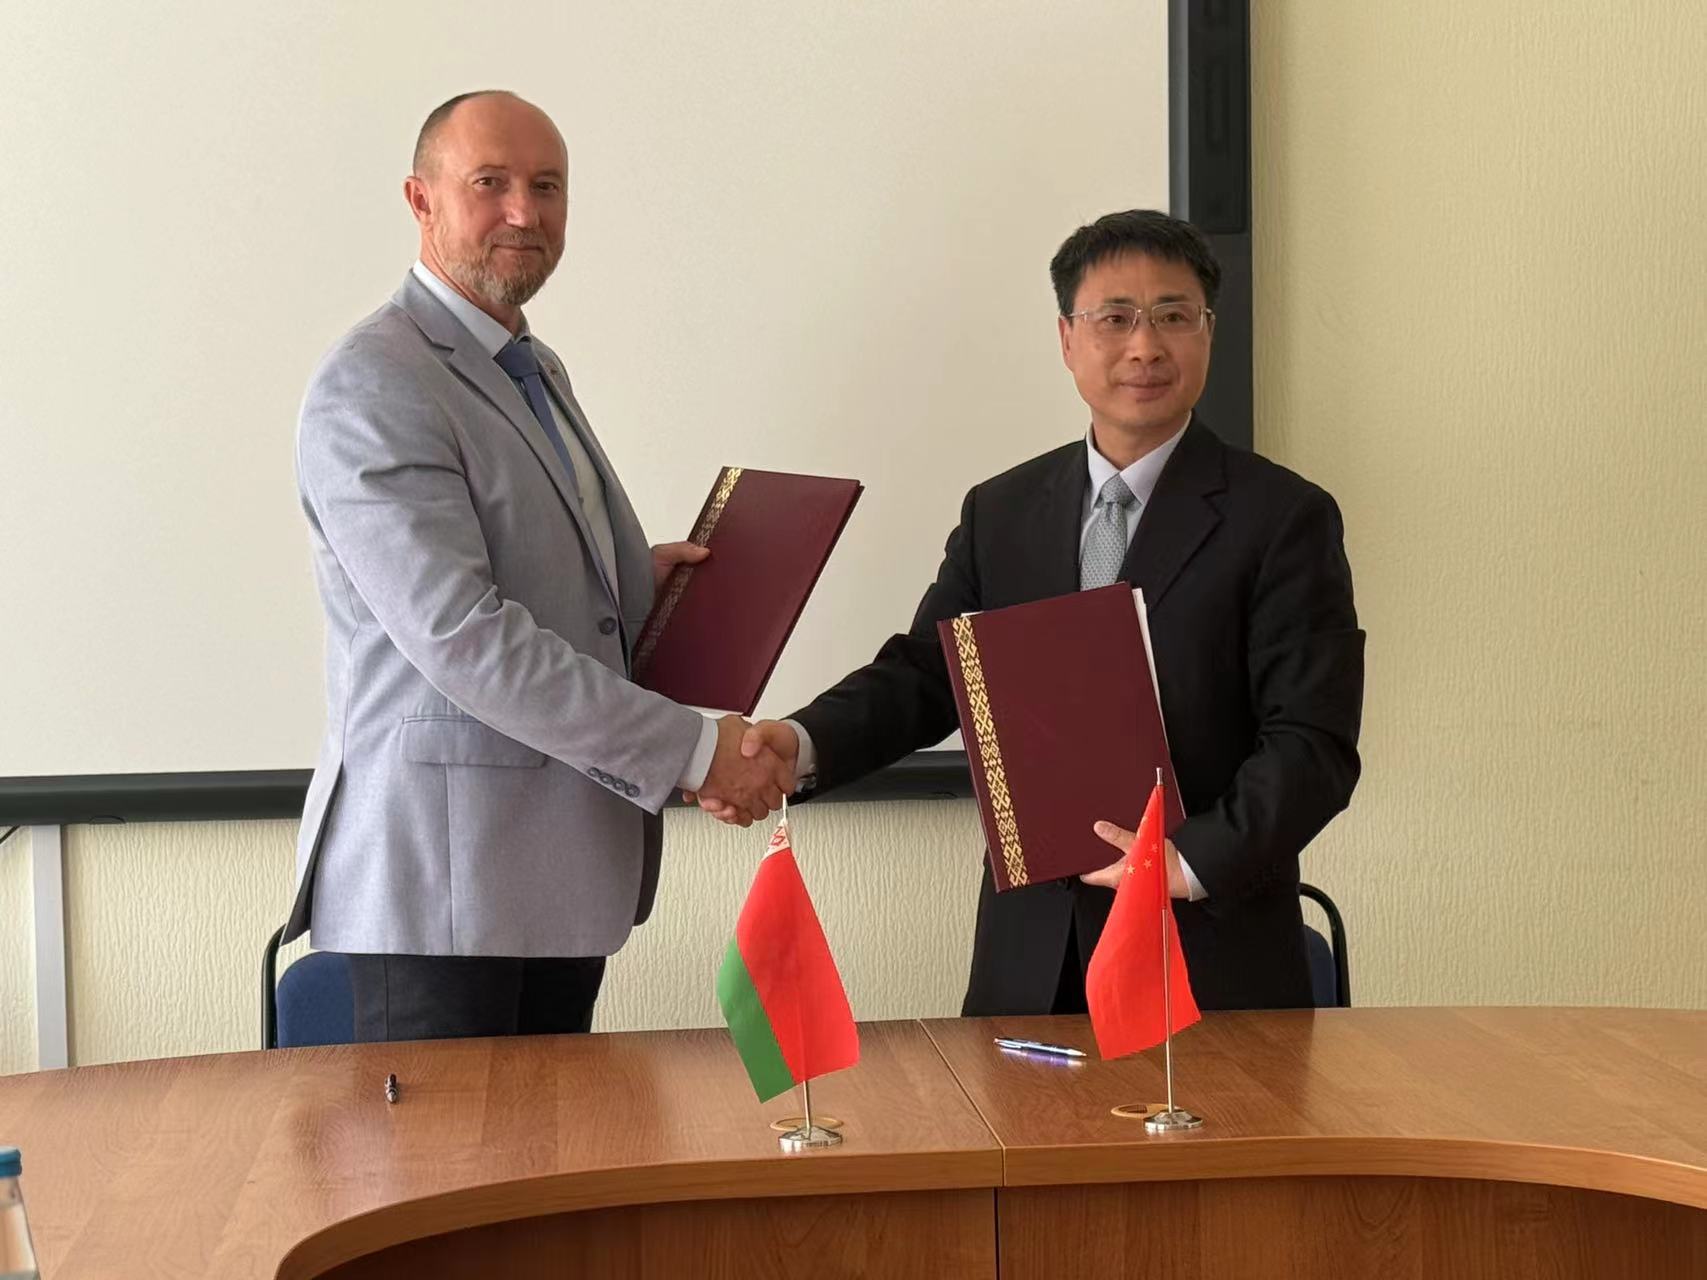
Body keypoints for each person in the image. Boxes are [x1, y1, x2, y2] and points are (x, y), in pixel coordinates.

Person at [696, 210, 1364, 1015]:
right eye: (1114, 318)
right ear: (1066, 338)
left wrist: (1187, 864)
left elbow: (1311, 743)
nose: (1144, 346)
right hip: (1030, 959)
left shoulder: (1282, 517)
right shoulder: (1003, 511)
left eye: (1172, 316)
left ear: (1207, 332)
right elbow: (926, 677)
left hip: (1208, 952)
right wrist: (799, 744)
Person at [286, 90, 791, 1041]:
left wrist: (631, 579)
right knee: (457, 1147)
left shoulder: (531, 366)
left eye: (547, 186)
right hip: (442, 893)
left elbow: (516, 565)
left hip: (548, 877)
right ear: (420, 200)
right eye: (490, 183)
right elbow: (461, 636)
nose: (524, 211)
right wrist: (695, 751)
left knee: (553, 1143)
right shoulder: (377, 380)